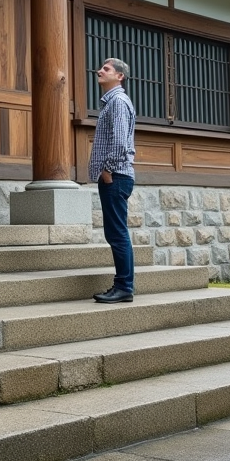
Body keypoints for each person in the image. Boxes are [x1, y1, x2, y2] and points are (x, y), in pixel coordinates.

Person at [88, 57, 137, 304]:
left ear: (119, 76)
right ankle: (123, 286)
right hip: (115, 176)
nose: (99, 71)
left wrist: (107, 170)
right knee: (116, 233)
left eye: (106, 69)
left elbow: (119, 141)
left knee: (117, 234)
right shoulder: (113, 102)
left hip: (115, 176)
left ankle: (124, 287)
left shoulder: (117, 101)